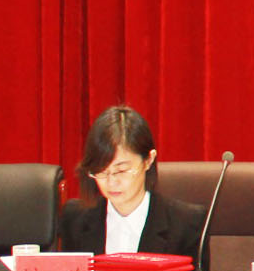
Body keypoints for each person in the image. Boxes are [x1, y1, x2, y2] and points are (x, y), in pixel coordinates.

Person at [53, 106, 206, 258]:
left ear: (148, 160)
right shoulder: (74, 219)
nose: (112, 182)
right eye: (102, 171)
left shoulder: (186, 224)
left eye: (122, 170)